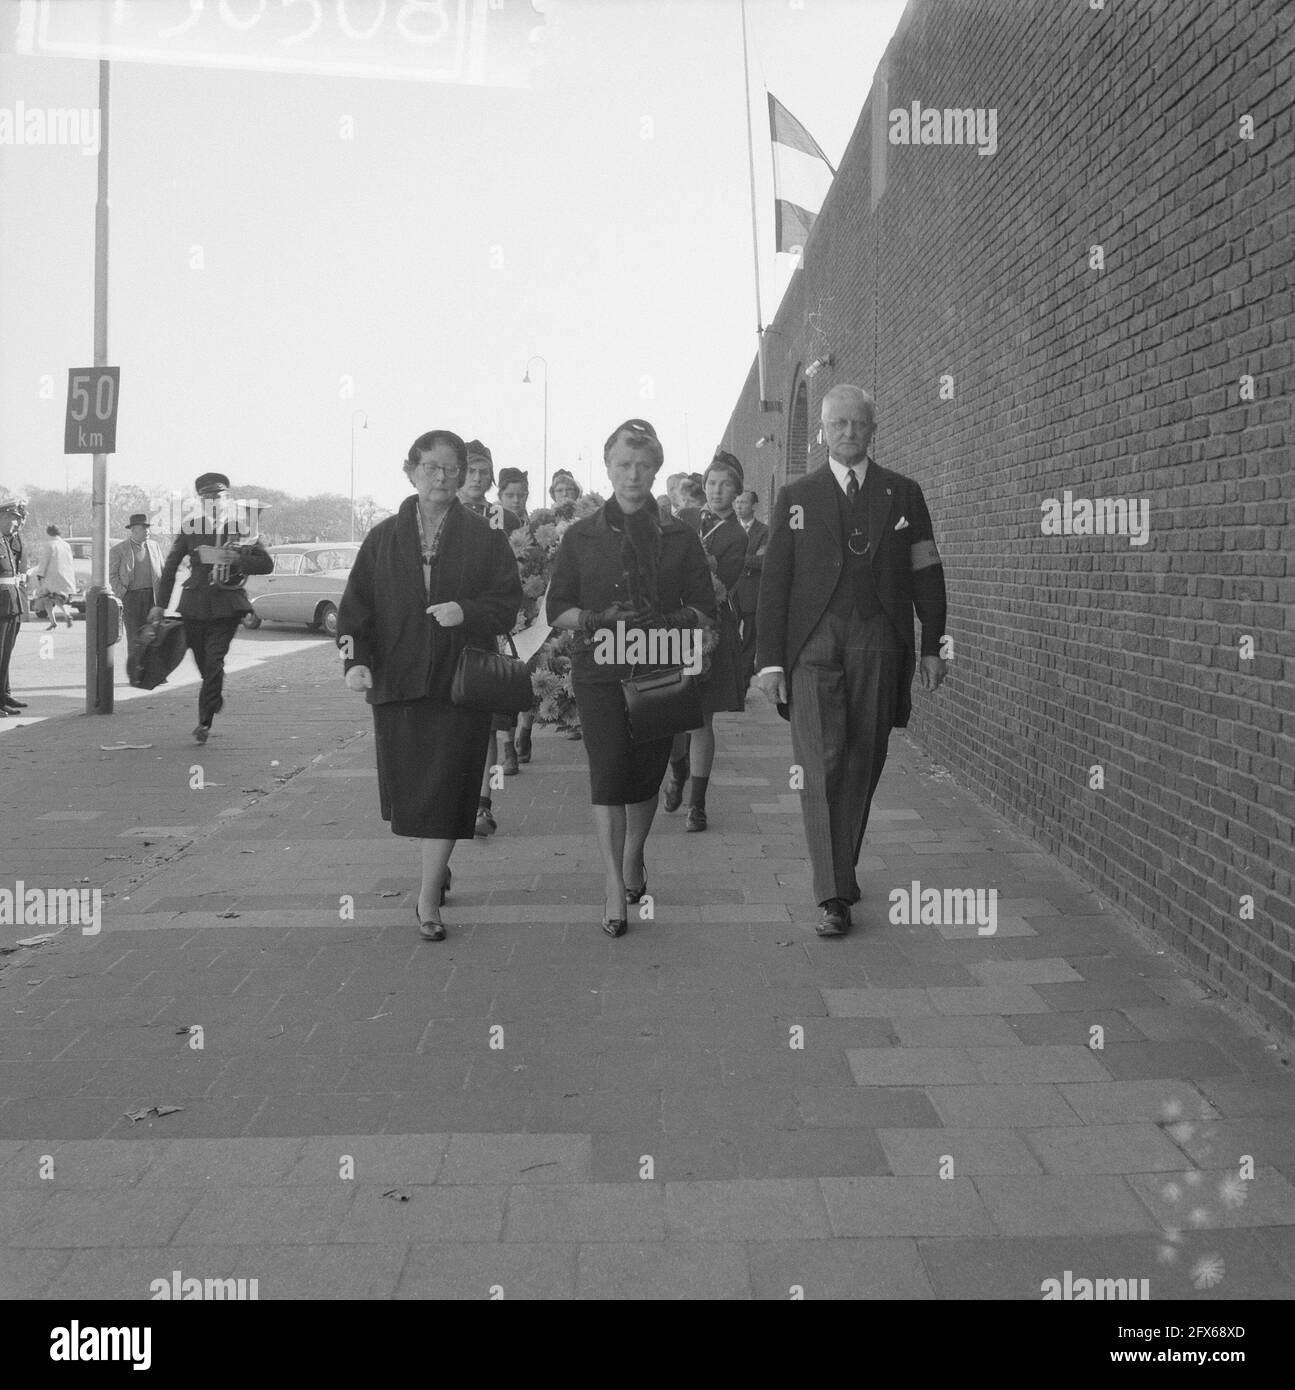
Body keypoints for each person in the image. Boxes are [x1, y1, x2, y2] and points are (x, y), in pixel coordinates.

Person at [755, 384, 948, 937]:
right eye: (837, 424)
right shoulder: (796, 496)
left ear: (873, 429)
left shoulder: (904, 495)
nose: (847, 433)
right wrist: (770, 662)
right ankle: (832, 894)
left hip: (878, 640)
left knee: (863, 759)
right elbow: (775, 585)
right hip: (813, 647)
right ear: (822, 431)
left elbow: (926, 573)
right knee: (820, 764)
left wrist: (933, 644)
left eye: (857, 424)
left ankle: (841, 866)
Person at [338, 429, 522, 941]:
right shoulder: (381, 539)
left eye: (451, 468)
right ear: (410, 471)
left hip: (459, 683)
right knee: (415, 795)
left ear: (463, 474)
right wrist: (355, 661)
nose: (441, 478)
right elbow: (355, 611)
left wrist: (467, 610)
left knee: (447, 789)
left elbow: (508, 603)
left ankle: (425, 900)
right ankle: (436, 868)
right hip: (398, 683)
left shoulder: (485, 538)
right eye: (430, 468)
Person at [546, 418, 715, 937]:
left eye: (643, 465)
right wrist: (598, 620)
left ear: (656, 468)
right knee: (609, 772)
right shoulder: (581, 536)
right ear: (608, 467)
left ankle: (635, 856)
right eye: (623, 464)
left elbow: (705, 610)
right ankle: (613, 884)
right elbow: (557, 610)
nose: (633, 474)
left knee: (645, 774)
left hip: (660, 669)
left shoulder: (680, 536)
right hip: (598, 671)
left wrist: (666, 623)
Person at [148, 473, 273, 743]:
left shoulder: (243, 527)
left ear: (227, 498)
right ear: (200, 501)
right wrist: (160, 606)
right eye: (207, 497)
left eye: (219, 496)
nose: (213, 501)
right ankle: (213, 693)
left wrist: (235, 556)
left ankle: (204, 722)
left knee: (215, 660)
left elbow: (266, 564)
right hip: (193, 606)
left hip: (227, 605)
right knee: (204, 662)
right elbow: (170, 569)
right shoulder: (190, 527)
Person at [662, 452, 749, 831]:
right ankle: (678, 772)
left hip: (707, 630)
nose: (717, 490)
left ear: (737, 491)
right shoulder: (685, 519)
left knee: (700, 717)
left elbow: (719, 586)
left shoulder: (737, 535)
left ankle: (697, 804)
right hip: (671, 626)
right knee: (669, 715)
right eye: (712, 483)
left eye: (725, 484)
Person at [458, 441, 525, 821]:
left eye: (485, 471)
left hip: (489, 626)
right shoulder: (438, 514)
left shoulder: (502, 517)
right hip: (448, 629)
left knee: (488, 720)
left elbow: (520, 566)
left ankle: (486, 799)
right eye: (472, 470)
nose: (478, 478)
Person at [110, 513, 166, 685]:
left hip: (152, 597)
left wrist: (162, 598)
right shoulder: (119, 550)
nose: (147, 532)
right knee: (135, 637)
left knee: (153, 636)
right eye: (143, 528)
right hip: (131, 598)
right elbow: (112, 576)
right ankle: (136, 674)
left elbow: (162, 571)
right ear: (133, 530)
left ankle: (156, 674)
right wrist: (123, 593)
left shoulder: (154, 546)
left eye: (148, 528)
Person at [733, 490, 768, 694]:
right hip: (729, 594)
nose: (739, 506)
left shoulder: (764, 531)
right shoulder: (727, 530)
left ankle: (742, 686)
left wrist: (734, 559)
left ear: (753, 506)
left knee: (749, 641)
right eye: (737, 502)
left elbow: (763, 561)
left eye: (744, 502)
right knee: (729, 639)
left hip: (752, 595)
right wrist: (749, 558)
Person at [0, 498, 31, 716]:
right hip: (3, 601)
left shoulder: (5, 540)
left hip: (10, 601)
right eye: (13, 519)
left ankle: (3, 696)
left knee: (4, 653)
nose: (16, 524)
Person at [32, 525, 77, 630]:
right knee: (52, 598)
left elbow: (44, 561)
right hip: (64, 576)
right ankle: (53, 621)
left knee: (49, 597)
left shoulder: (49, 544)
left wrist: (40, 574)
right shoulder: (66, 545)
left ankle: (64, 615)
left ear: (49, 533)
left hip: (50, 577)